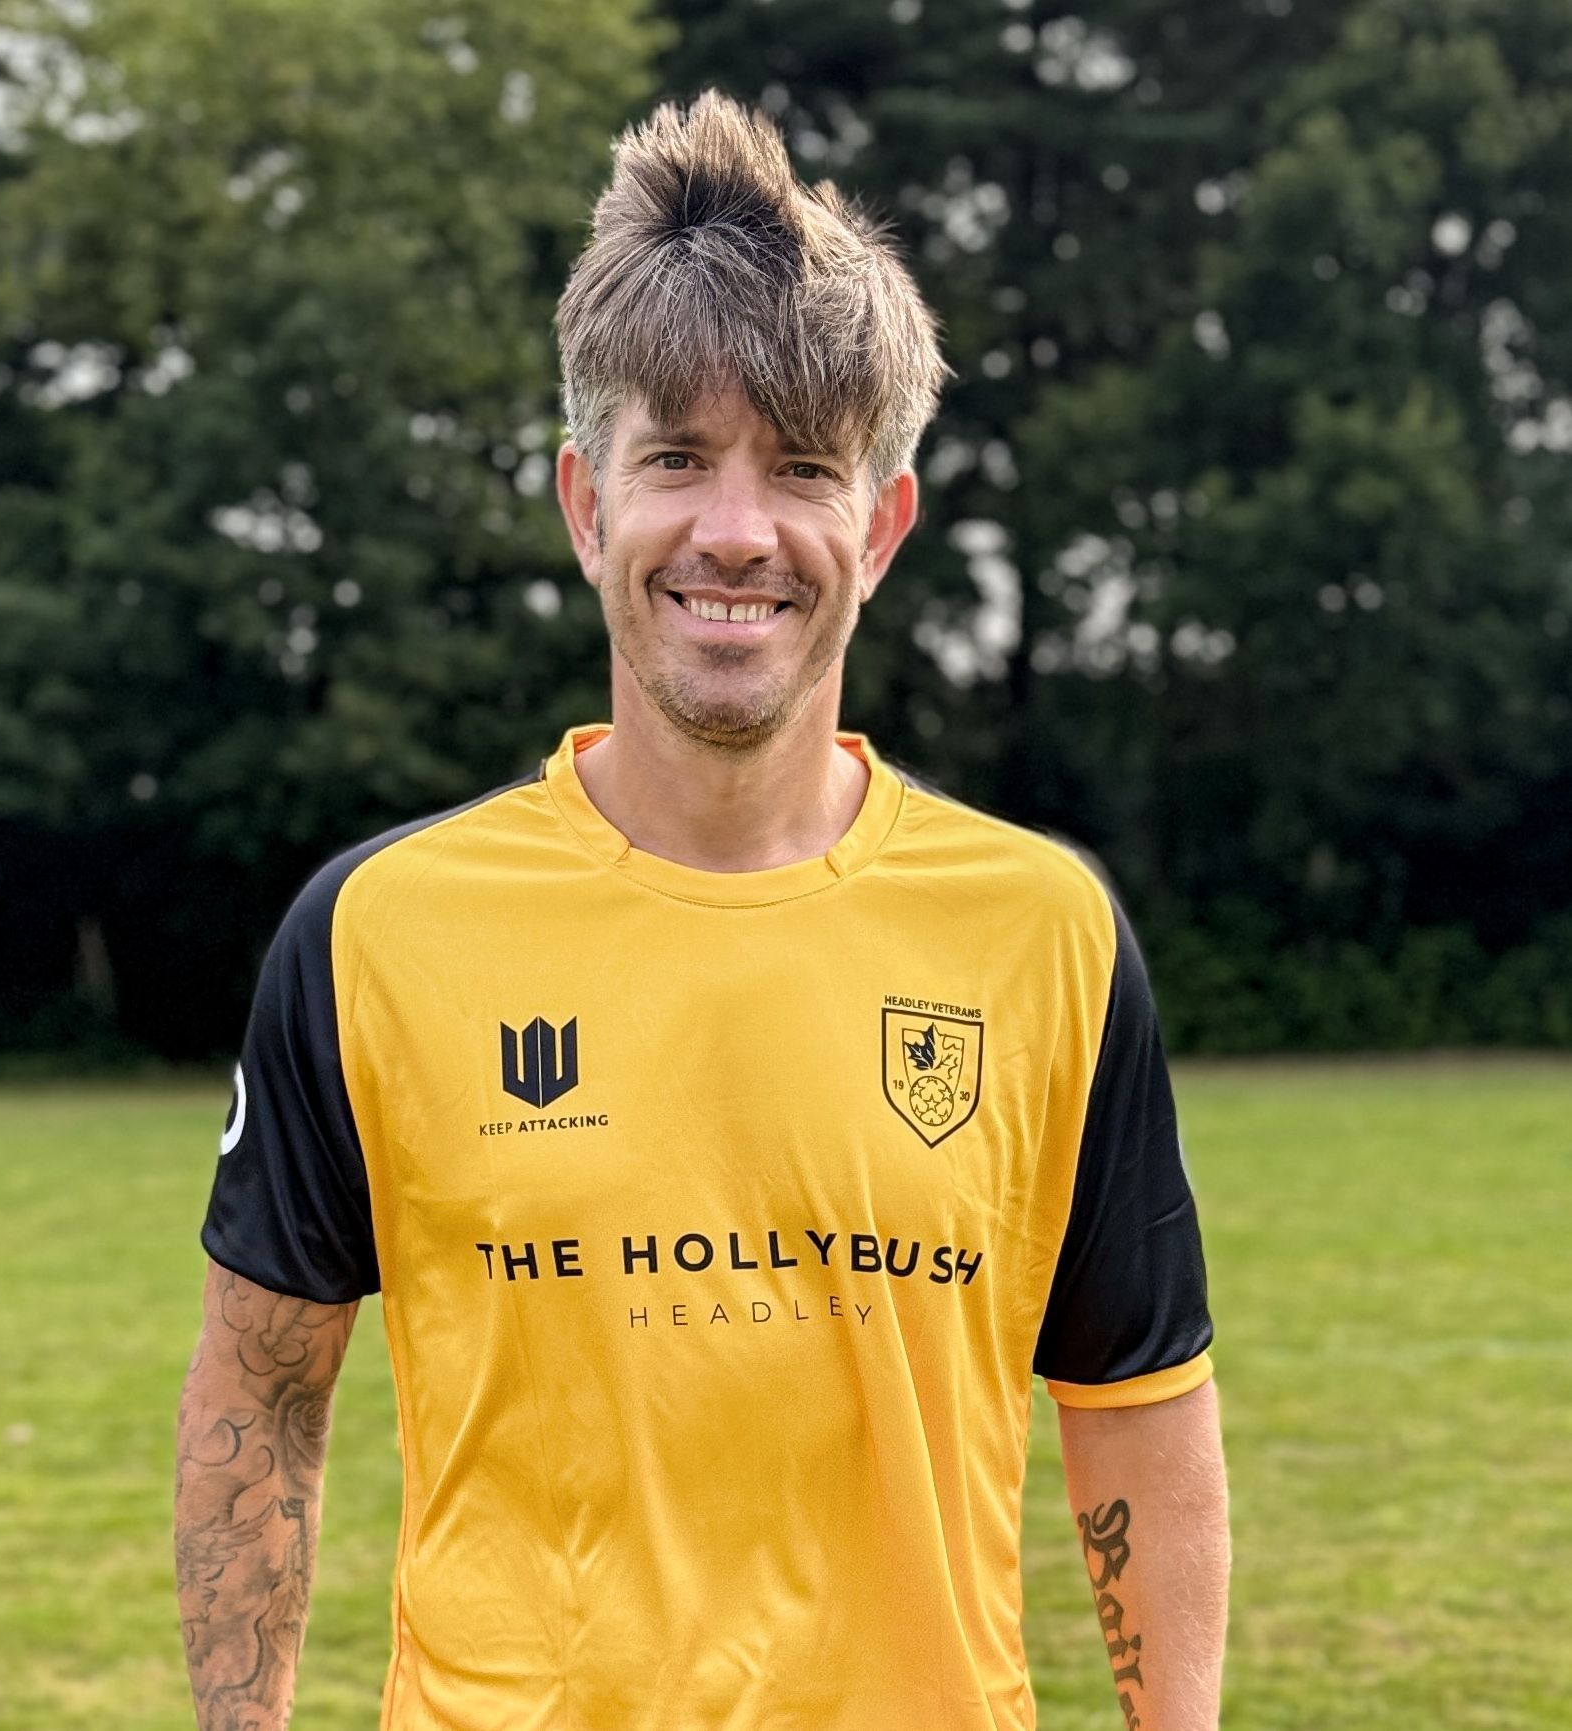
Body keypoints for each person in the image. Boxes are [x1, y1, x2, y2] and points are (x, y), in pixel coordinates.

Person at [175, 90, 1229, 1731]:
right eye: (676, 457)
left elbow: (1139, 1404)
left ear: (880, 527)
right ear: (586, 502)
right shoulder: (374, 930)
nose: (736, 534)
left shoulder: (1045, 934)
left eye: (802, 468)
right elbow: (260, 1385)